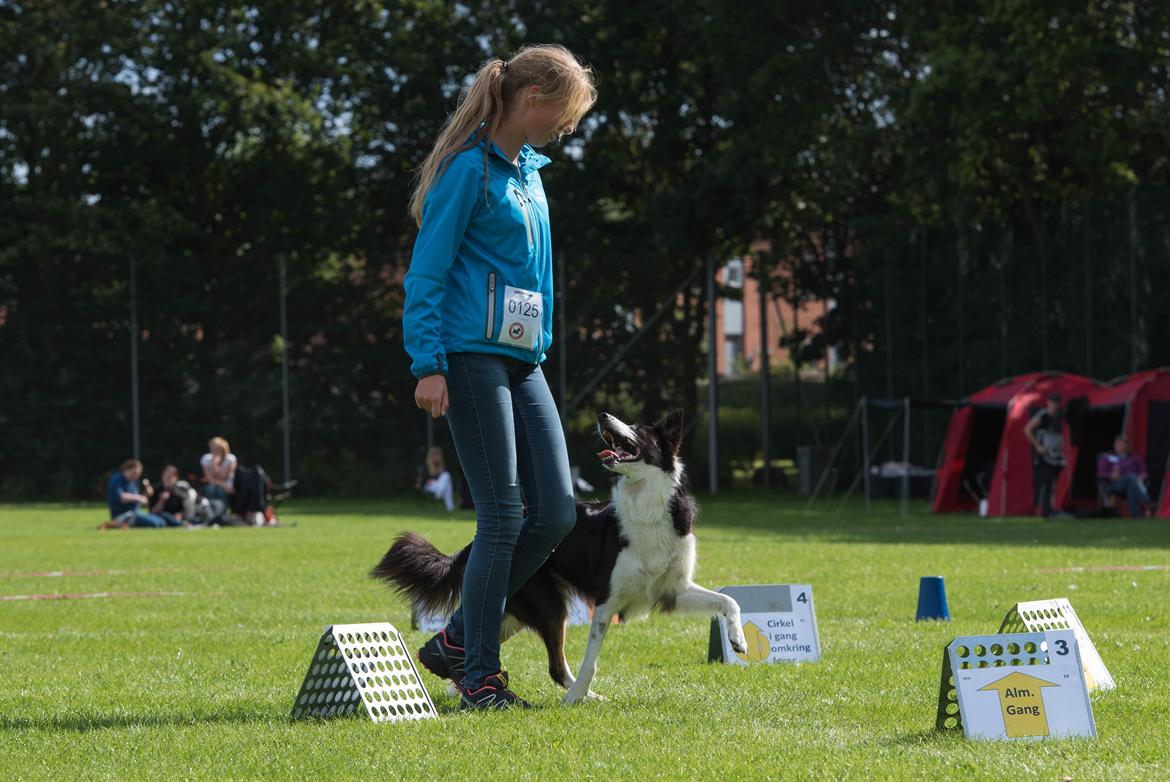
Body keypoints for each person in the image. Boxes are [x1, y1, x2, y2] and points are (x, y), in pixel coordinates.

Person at [402, 45, 596, 709]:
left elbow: (536, 278)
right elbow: (427, 272)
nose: (566, 129)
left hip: (523, 359)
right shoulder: (467, 171)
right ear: (533, 99)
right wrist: (428, 363)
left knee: (557, 513)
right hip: (467, 355)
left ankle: (456, 641)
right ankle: (479, 675)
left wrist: (540, 343)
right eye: (564, 115)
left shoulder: (530, 175)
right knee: (504, 516)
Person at [1024, 392, 1067, 518]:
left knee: (1055, 483)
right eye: (1053, 402)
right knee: (1047, 483)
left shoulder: (1059, 416)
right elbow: (1027, 429)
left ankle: (1053, 509)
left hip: (1057, 455)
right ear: (1048, 403)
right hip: (1045, 456)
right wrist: (1038, 446)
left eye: (1057, 403)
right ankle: (1046, 511)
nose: (1055, 405)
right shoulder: (1043, 415)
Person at [105, 459, 182, 528]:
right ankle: (118, 523)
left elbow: (139, 501)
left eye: (138, 474)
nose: (137, 476)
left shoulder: (132, 483)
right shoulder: (117, 480)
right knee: (155, 524)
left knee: (161, 522)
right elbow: (121, 497)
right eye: (135, 473)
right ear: (127, 469)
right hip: (123, 515)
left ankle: (181, 524)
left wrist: (146, 495)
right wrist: (139, 497)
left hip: (134, 514)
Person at [1097, 435, 1150, 517]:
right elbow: (1101, 473)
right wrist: (1110, 476)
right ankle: (1146, 501)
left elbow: (1144, 471)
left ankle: (1136, 514)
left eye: (1121, 444)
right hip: (1114, 484)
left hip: (1133, 483)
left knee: (1131, 483)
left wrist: (1141, 477)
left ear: (1127, 446)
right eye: (1116, 444)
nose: (1118, 446)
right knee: (1132, 478)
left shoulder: (1134, 458)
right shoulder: (1107, 457)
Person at [200, 436, 237, 506]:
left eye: (216, 448)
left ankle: (223, 509)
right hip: (218, 485)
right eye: (212, 448)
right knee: (211, 488)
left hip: (228, 485)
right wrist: (214, 463)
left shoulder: (230, 458)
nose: (213, 450)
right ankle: (211, 509)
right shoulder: (205, 458)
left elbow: (223, 477)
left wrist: (215, 465)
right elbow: (210, 478)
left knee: (219, 489)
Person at [416, 446, 456, 512]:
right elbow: (422, 478)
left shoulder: (443, 466)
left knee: (446, 477)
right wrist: (427, 481)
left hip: (439, 486)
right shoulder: (425, 466)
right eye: (436, 455)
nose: (438, 457)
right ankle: (449, 506)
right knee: (446, 481)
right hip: (428, 486)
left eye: (439, 455)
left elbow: (445, 479)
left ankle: (439, 494)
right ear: (432, 456)